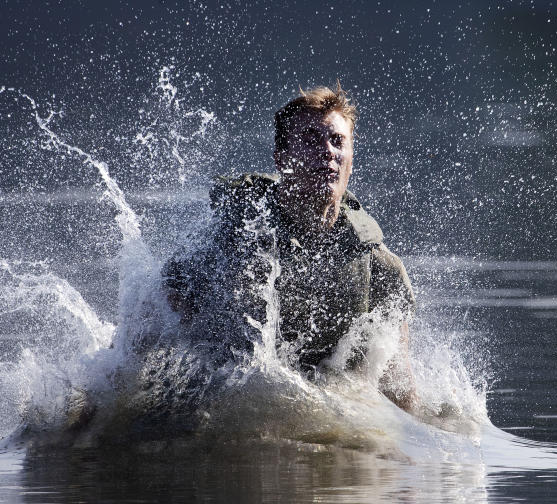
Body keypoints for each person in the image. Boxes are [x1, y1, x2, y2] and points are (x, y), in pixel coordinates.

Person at [164, 84, 417, 411]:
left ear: (351, 159)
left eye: (337, 141)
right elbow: (149, 332)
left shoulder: (379, 267)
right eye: (311, 140)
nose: (328, 151)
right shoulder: (229, 235)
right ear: (281, 158)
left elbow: (402, 394)